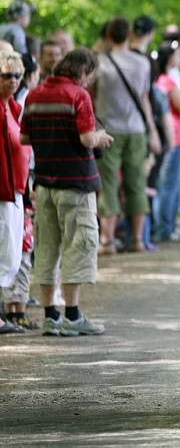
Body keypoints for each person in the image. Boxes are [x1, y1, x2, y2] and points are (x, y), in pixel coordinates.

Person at [22, 48, 114, 336]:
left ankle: (51, 315)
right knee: (79, 245)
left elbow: (24, 137)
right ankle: (72, 316)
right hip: (76, 183)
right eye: (89, 75)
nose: (88, 82)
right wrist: (100, 137)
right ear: (83, 71)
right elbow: (87, 139)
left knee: (47, 247)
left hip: (45, 184)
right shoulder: (78, 95)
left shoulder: (35, 94)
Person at [92, 17, 160, 255]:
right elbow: (144, 99)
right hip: (136, 129)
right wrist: (152, 131)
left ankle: (107, 239)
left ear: (108, 35)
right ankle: (138, 240)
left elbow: (90, 92)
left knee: (108, 183)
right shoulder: (142, 63)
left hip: (108, 130)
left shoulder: (100, 62)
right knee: (136, 183)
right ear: (129, 34)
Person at [0, 51, 28, 334]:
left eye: (17, 76)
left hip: (16, 190)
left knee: (10, 253)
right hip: (2, 190)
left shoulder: (15, 109)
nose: (12, 81)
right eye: (6, 75)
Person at [153, 42, 180, 242]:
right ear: (170, 59)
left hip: (166, 138)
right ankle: (165, 229)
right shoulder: (168, 81)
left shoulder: (157, 80)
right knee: (170, 185)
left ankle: (163, 227)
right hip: (175, 138)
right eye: (177, 56)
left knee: (163, 183)